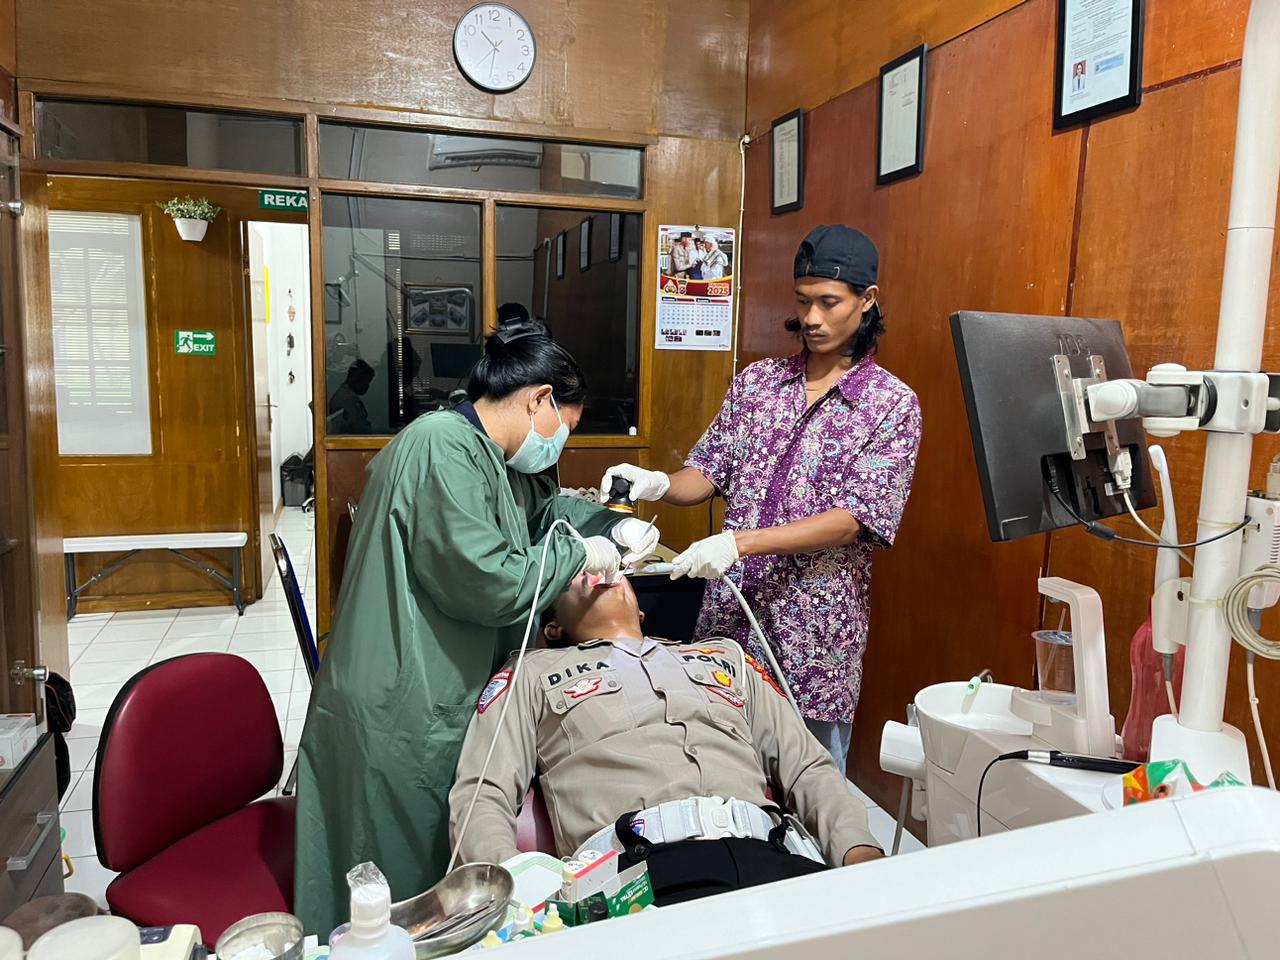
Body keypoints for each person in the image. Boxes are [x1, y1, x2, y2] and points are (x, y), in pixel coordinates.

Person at [295, 321, 661, 937]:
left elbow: (542, 511)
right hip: (400, 700)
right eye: (566, 428)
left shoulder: (496, 457)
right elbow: (489, 581)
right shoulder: (441, 447)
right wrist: (580, 555)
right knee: (388, 899)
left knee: (434, 883)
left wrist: (609, 525)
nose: (560, 444)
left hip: (441, 688)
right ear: (539, 399)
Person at [599, 225, 922, 771]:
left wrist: (739, 543)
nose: (812, 318)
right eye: (803, 301)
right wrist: (657, 482)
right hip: (729, 626)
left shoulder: (891, 405)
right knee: (718, 768)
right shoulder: (759, 384)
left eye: (828, 302)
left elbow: (853, 519)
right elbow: (705, 473)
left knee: (809, 782)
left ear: (867, 300)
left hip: (812, 635)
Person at [449, 573, 882, 905]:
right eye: (575, 571)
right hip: (635, 879)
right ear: (554, 628)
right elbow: (483, 792)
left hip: (771, 858)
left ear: (641, 612)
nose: (597, 570)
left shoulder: (725, 657)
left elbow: (807, 767)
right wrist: (513, 891)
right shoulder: (531, 673)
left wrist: (858, 850)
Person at [327, 359, 374, 434]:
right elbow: (359, 429)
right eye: (366, 382)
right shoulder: (346, 400)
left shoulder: (347, 396)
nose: (367, 386)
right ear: (356, 378)